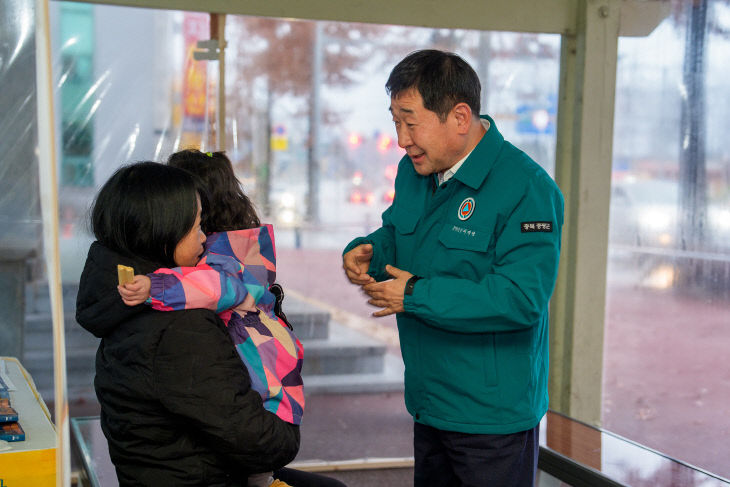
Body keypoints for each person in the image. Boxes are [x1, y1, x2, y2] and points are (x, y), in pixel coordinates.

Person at [342, 49, 564, 487]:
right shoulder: (415, 170)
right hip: (430, 402)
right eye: (395, 121)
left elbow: (521, 298)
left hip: (491, 420)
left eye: (411, 121)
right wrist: (368, 248)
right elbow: (399, 232)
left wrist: (415, 295)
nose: (402, 139)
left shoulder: (527, 189)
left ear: (460, 117)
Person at [115, 150, 345, 487]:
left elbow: (210, 289)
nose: (201, 237)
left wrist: (156, 286)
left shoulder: (208, 269)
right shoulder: (246, 249)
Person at [76, 161, 299, 486]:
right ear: (162, 230)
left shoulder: (123, 296)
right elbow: (265, 443)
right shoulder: (181, 327)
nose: (204, 238)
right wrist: (286, 416)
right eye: (195, 226)